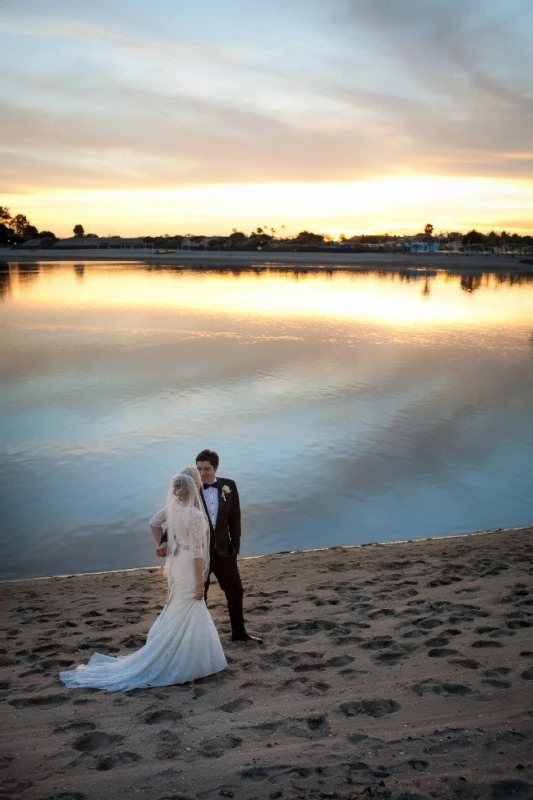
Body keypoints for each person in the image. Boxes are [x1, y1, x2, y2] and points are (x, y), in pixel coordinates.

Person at [59, 473, 226, 691]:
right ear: (194, 488)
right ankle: (183, 659)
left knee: (179, 605)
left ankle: (185, 654)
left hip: (176, 561)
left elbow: (154, 523)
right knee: (192, 603)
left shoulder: (172, 509)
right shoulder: (194, 515)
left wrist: (164, 545)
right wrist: (199, 583)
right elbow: (197, 554)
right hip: (187, 563)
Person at [152, 450, 263, 644]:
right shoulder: (189, 489)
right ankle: (200, 640)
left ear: (216, 468)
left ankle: (239, 634)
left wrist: (235, 546)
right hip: (197, 554)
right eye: (199, 469)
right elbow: (175, 518)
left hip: (224, 551)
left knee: (235, 592)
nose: (202, 473)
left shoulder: (229, 486)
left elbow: (234, 519)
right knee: (198, 596)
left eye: (207, 469)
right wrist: (164, 541)